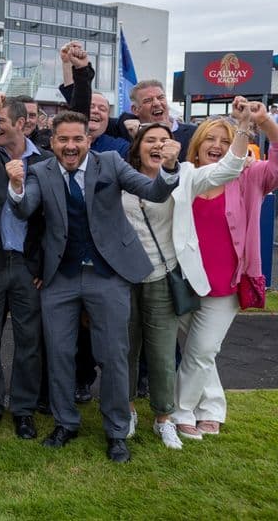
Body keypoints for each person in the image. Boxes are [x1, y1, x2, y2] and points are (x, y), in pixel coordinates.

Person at [6, 110, 180, 463]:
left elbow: (155, 191)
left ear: (88, 139)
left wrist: (170, 168)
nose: (70, 146)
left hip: (108, 273)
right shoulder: (41, 170)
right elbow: (25, 209)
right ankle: (65, 423)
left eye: (77, 139)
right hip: (60, 277)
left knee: (114, 356)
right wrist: (16, 185)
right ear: (52, 142)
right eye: (63, 139)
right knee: (58, 353)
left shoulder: (111, 162)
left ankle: (117, 431)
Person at [122, 120, 247, 448]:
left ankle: (166, 418)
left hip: (166, 277)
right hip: (126, 278)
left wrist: (246, 127)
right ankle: (127, 410)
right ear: (138, 147)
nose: (159, 145)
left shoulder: (187, 174)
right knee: (126, 350)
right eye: (151, 140)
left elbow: (227, 169)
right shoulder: (120, 178)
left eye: (165, 139)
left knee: (165, 354)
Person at [171, 100, 278, 439]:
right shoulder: (182, 178)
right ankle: (213, 407)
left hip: (227, 284)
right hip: (182, 282)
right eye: (209, 139)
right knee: (202, 350)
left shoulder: (248, 176)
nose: (216, 145)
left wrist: (262, 123)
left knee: (202, 349)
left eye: (224, 138)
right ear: (196, 146)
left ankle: (182, 409)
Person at [0, 92, 53, 440]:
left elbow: (51, 220)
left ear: (21, 123)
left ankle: (23, 409)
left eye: (1, 121)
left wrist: (43, 267)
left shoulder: (45, 161)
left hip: (26, 267)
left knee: (28, 341)